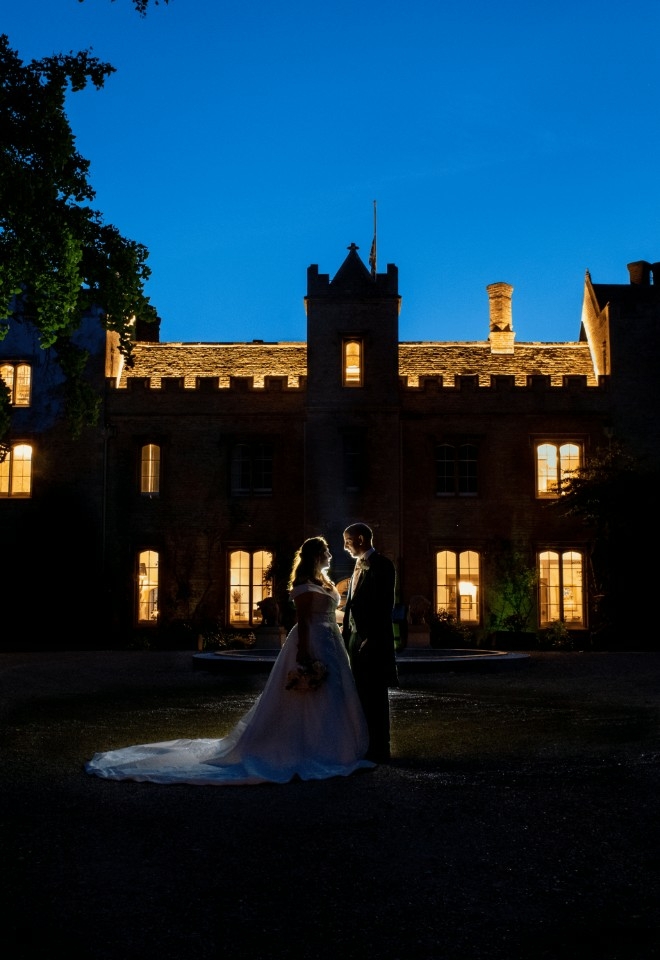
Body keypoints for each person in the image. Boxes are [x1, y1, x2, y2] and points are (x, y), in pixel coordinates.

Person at [85, 537, 374, 785]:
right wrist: (303, 652)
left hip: (331, 642)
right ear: (315, 555)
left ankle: (334, 746)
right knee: (308, 694)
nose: (330, 555)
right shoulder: (303, 585)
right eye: (326, 552)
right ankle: (308, 748)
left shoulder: (324, 582)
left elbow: (331, 612)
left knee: (331, 692)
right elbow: (305, 622)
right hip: (312, 641)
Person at [341, 522, 398, 763]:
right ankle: (366, 745)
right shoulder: (357, 566)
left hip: (371, 642)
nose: (345, 547)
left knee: (375, 695)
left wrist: (370, 639)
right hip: (354, 639)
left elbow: (384, 607)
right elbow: (352, 605)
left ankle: (380, 748)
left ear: (361, 539)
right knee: (361, 694)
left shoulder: (382, 565)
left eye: (347, 541)